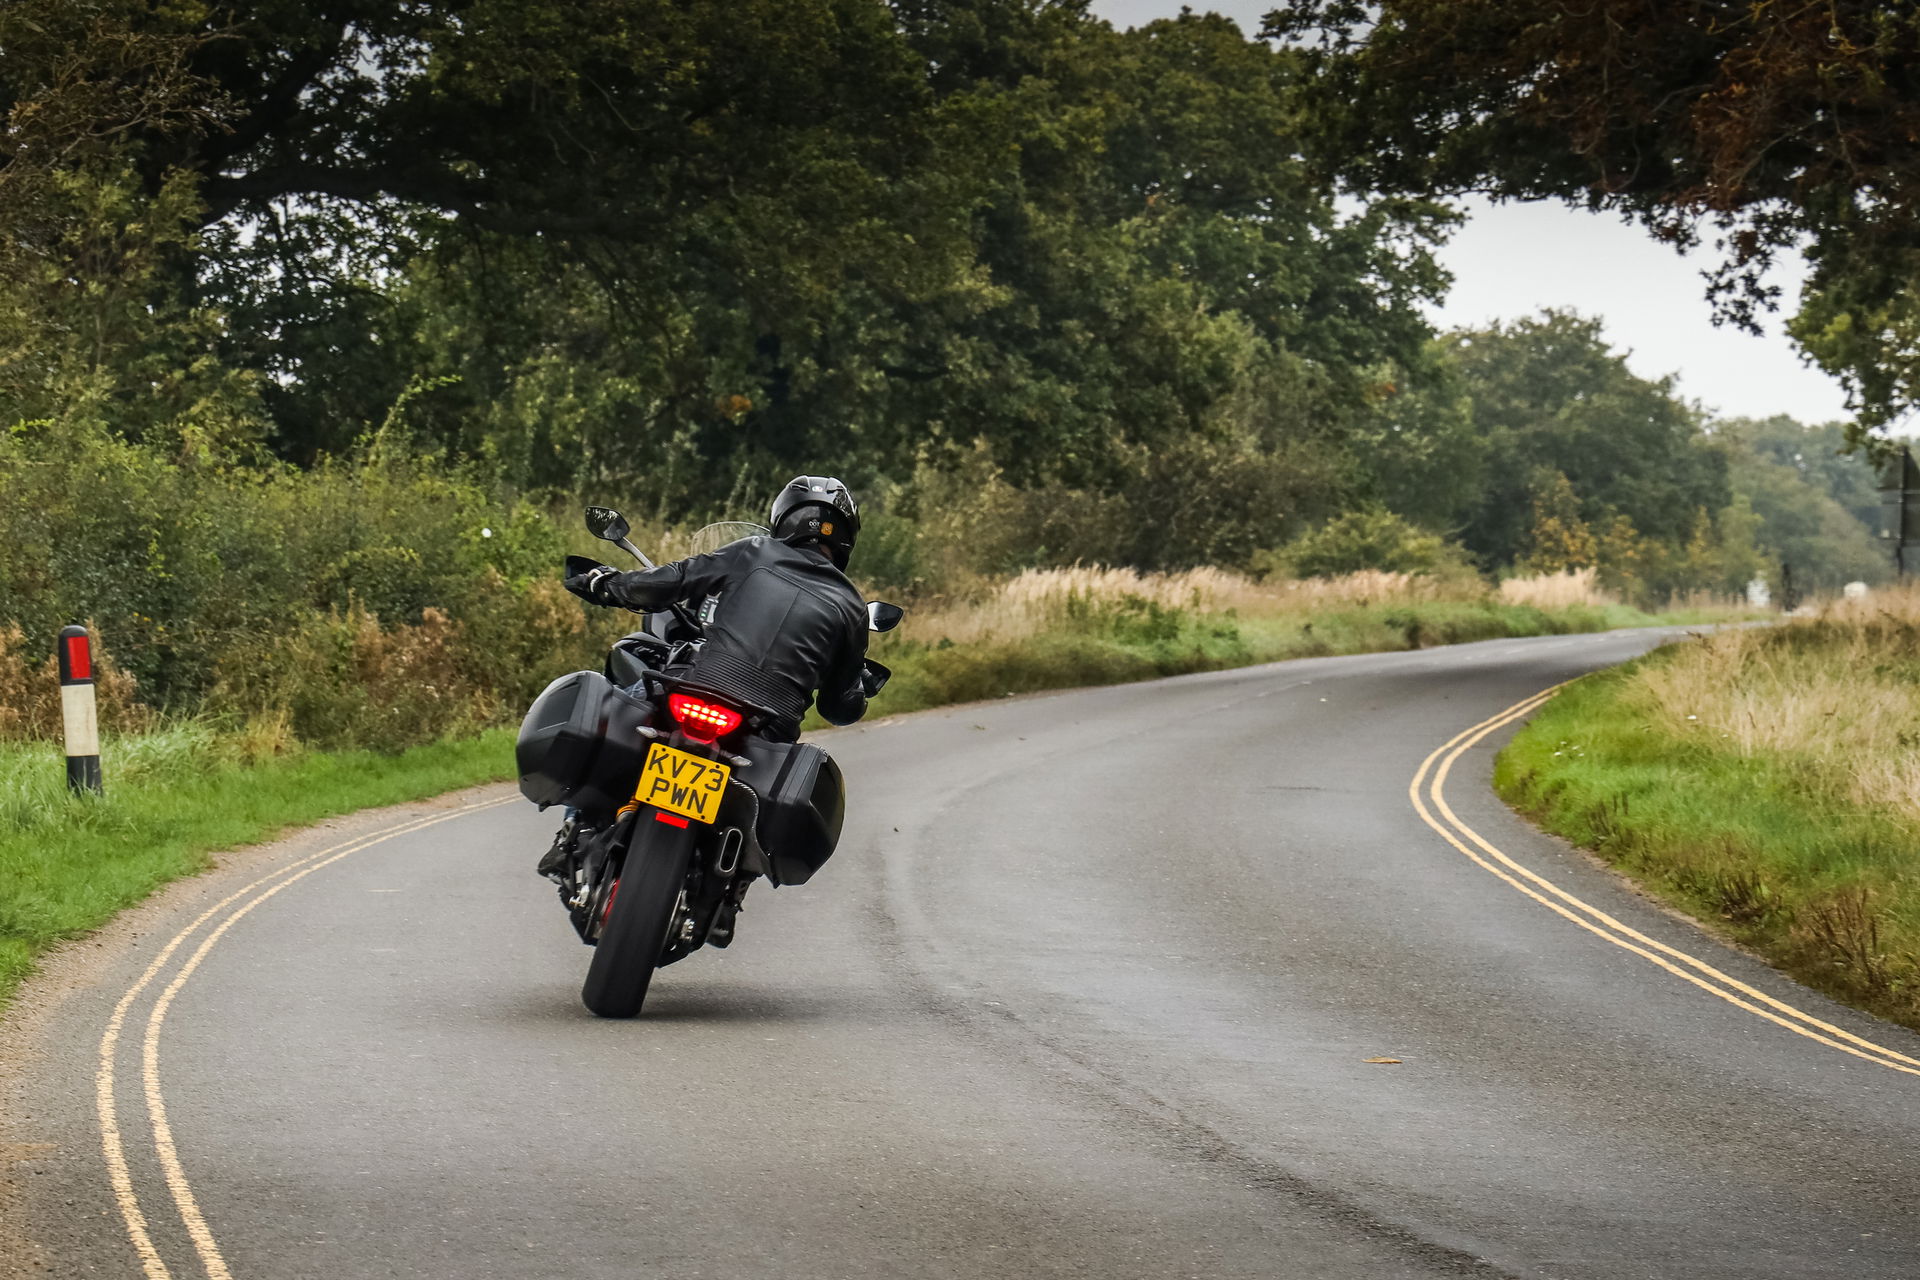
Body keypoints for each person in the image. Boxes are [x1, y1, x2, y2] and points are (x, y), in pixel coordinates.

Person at [563, 475, 877, 743]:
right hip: (769, 734)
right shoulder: (852, 606)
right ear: (847, 536)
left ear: (784, 517)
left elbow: (674, 579)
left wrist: (606, 584)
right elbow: (838, 708)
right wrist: (857, 690)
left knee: (611, 713)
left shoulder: (755, 551)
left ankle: (581, 810)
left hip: (701, 692)